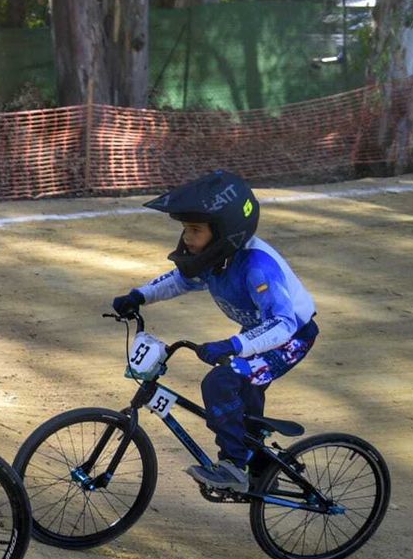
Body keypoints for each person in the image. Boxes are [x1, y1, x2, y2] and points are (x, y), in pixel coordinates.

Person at [111, 170, 319, 491]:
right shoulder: (216, 258)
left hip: (289, 338)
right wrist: (139, 296)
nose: (187, 239)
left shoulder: (257, 266)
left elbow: (283, 324)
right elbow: (179, 281)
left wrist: (234, 345)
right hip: (260, 333)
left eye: (195, 230)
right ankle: (259, 464)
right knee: (242, 393)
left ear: (224, 232)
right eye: (185, 230)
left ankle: (235, 466)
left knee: (221, 382)